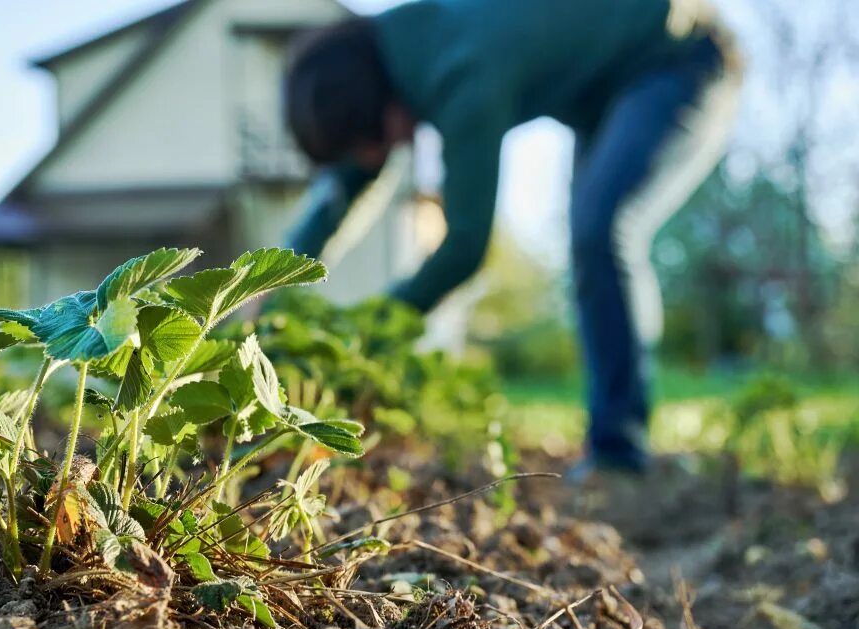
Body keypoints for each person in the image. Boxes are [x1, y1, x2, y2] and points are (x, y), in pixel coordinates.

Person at [282, 0, 742, 476]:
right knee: (592, 236)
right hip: (605, 94)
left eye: (368, 144)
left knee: (600, 231)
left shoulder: (460, 73)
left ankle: (618, 451)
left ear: (377, 104)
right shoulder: (394, 54)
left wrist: (360, 338)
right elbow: (340, 193)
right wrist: (260, 292)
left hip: (678, 55)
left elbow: (464, 248)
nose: (382, 156)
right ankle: (614, 443)